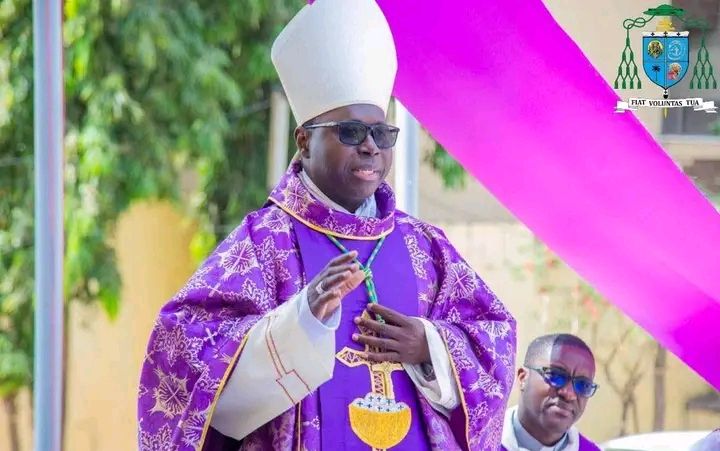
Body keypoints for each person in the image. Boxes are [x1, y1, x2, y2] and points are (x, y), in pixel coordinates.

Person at [137, 0, 517, 450]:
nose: (371, 147)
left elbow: (495, 337)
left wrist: (431, 347)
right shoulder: (265, 242)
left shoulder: (424, 246)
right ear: (304, 140)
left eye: (382, 134)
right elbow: (182, 357)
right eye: (351, 132)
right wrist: (300, 322)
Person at [501, 334, 601, 451]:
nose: (569, 394)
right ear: (523, 378)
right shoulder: (484, 440)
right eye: (555, 375)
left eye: (583, 384)